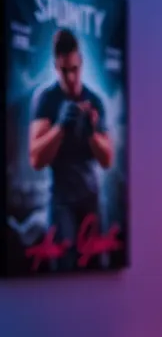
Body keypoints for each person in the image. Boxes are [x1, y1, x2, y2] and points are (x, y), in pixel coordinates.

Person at [27, 27, 113, 269]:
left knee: (99, 270)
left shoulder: (94, 101)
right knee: (63, 271)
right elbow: (36, 159)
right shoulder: (46, 99)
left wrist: (92, 134)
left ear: (81, 63)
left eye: (75, 69)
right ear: (56, 66)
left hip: (92, 199)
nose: (71, 77)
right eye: (65, 71)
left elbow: (107, 160)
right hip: (61, 201)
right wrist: (60, 128)